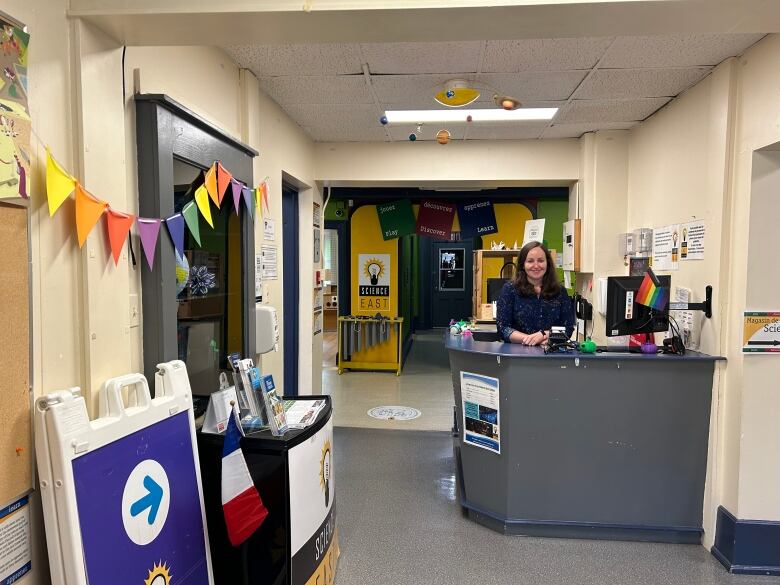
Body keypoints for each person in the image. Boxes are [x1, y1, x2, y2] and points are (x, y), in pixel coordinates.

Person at [496, 241, 575, 345]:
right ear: (523, 265)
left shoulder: (560, 291)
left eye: (541, 261)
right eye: (530, 261)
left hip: (550, 353)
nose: (536, 265)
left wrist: (545, 335)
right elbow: (503, 328)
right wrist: (531, 339)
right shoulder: (510, 289)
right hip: (517, 354)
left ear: (548, 263)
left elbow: (568, 328)